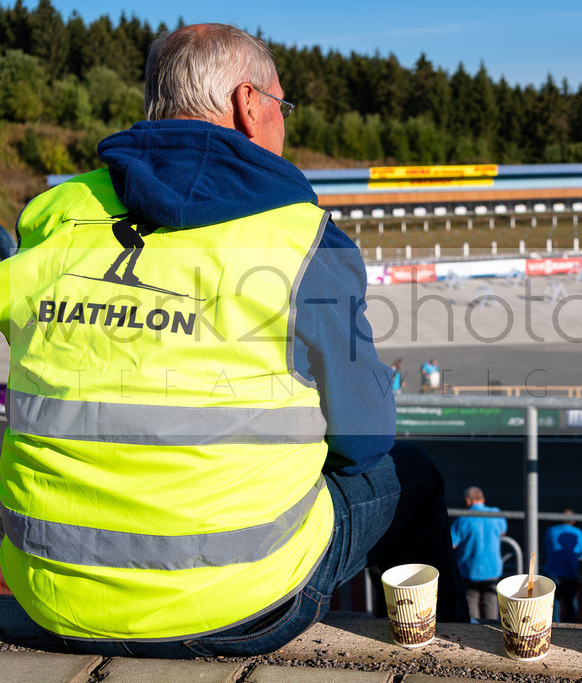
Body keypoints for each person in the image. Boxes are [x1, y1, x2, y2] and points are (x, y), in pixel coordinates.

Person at [0, 23, 468, 659]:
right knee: (411, 477)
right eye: (283, 105)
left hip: (51, 594)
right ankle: (451, 655)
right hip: (239, 605)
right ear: (251, 106)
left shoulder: (53, 214)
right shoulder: (301, 239)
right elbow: (364, 439)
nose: (284, 124)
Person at [450, 486, 507, 620]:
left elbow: (452, 543)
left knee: (471, 601)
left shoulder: (462, 518)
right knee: (491, 601)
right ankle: (491, 631)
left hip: (469, 570)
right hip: (492, 569)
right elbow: (503, 531)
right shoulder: (496, 513)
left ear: (467, 501)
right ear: (483, 499)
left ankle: (473, 631)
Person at [544, 511, 582, 623]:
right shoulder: (577, 532)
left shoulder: (551, 530)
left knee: (553, 606)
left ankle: (553, 630)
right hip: (571, 573)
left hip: (552, 572)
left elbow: (547, 546)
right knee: (571, 606)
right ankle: (571, 632)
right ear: (573, 520)